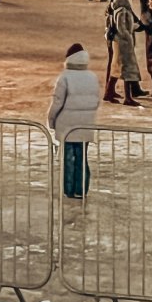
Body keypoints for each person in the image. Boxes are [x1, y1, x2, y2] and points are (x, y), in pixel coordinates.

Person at [47, 43, 100, 199]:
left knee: (68, 159)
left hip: (67, 126)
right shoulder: (92, 77)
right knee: (82, 158)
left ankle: (68, 189)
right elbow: (96, 102)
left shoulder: (64, 77)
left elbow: (57, 102)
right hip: (86, 125)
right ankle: (81, 189)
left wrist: (51, 120)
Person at [105, 0, 143, 107]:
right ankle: (128, 98)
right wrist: (131, 33)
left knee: (116, 67)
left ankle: (109, 92)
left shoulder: (115, 8)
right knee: (128, 68)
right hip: (124, 42)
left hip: (117, 42)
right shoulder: (123, 10)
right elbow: (122, 28)